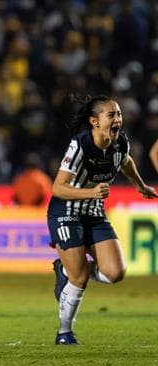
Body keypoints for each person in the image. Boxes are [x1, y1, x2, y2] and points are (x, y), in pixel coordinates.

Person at [47, 95, 157, 345]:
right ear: (94, 121)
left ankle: (65, 268)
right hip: (66, 212)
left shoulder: (120, 144)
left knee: (115, 273)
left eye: (119, 114)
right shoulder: (81, 145)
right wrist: (91, 193)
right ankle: (65, 332)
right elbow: (57, 188)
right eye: (111, 115)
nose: (118, 118)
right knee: (80, 279)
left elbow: (125, 161)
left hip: (94, 213)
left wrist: (140, 185)